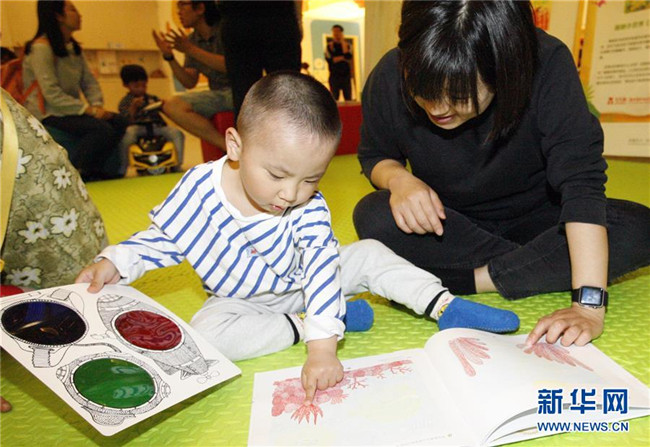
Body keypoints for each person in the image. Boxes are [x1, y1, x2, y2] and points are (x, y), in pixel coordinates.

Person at [76, 72, 519, 403]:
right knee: (204, 336)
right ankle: (312, 322)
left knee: (369, 253)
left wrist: (323, 351)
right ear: (235, 146)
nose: (291, 194)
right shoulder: (197, 189)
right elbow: (164, 238)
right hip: (242, 301)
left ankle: (441, 305)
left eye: (311, 179)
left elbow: (323, 271)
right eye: (277, 175)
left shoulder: (309, 207)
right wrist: (115, 261)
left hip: (307, 282)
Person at [353, 1, 650, 349]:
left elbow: (581, 184)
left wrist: (588, 306)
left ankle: (472, 280)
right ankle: (539, 267)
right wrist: (398, 179)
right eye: (422, 88)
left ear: (505, 64)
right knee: (373, 214)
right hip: (449, 226)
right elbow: (375, 155)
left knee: (638, 227)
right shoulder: (389, 73)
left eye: (458, 95)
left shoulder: (547, 62)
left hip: (541, 221)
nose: (437, 108)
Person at [22, 0, 128, 181]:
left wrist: (97, 105)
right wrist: (88, 110)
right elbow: (51, 94)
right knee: (101, 129)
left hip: (71, 112)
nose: (79, 15)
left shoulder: (73, 48)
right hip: (49, 113)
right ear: (58, 16)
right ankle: (75, 173)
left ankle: (99, 171)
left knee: (119, 121)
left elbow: (89, 83)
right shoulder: (41, 48)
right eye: (72, 9)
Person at [152, 0, 232, 153]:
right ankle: (226, 146)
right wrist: (169, 57)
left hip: (240, 91)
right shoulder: (192, 40)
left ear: (200, 8)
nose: (179, 12)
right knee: (172, 105)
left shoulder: (225, 30)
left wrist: (190, 49)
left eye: (182, 5)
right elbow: (189, 82)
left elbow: (230, 67)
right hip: (218, 94)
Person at [219, 0, 302, 118]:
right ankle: (290, 128)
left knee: (244, 96)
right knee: (287, 93)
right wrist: (298, 19)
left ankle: (248, 129)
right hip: (278, 15)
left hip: (237, 15)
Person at [118, 64, 185, 172]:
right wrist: (133, 107)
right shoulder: (125, 101)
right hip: (137, 127)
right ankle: (123, 167)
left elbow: (164, 110)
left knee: (176, 133)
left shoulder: (152, 98)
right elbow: (125, 119)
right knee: (127, 137)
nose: (141, 89)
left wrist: (164, 105)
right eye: (136, 86)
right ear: (126, 85)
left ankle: (177, 164)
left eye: (144, 86)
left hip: (156, 125)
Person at [325, 24, 352, 101]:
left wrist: (343, 43)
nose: (336, 33)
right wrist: (343, 58)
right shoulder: (329, 46)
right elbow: (330, 60)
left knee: (348, 98)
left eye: (338, 31)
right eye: (334, 31)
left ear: (341, 32)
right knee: (334, 98)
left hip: (346, 76)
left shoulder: (347, 45)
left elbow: (348, 57)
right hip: (334, 75)